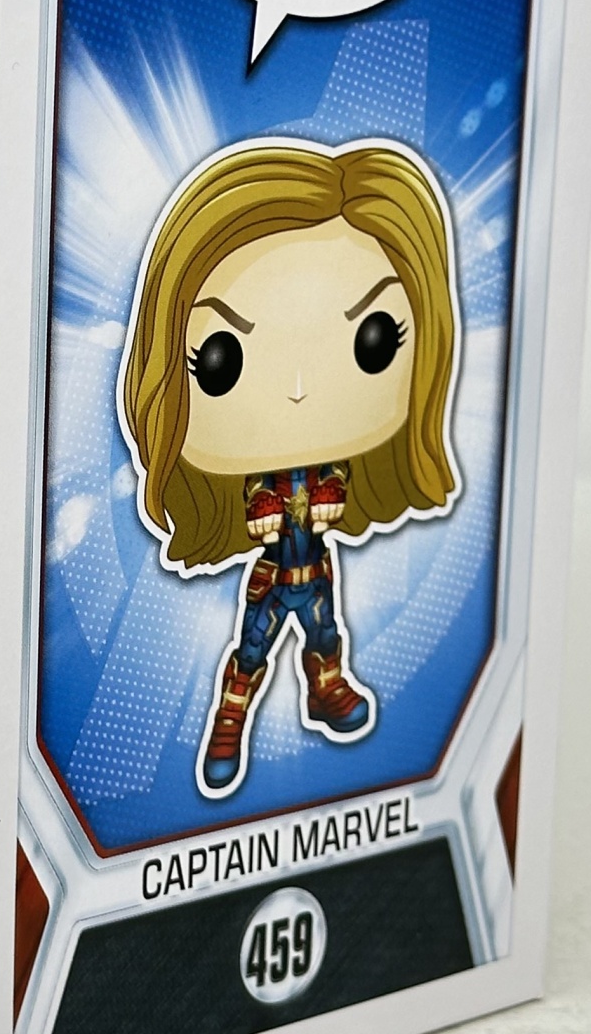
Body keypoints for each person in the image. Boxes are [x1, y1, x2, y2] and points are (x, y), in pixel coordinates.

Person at [121, 138, 461, 798]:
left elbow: (334, 489)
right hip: (274, 576)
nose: (300, 390)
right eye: (219, 359)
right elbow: (260, 506)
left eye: (375, 341)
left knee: (325, 635)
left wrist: (327, 499)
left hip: (316, 569)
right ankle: (230, 721)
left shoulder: (331, 469)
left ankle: (325, 690)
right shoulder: (263, 478)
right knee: (253, 648)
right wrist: (270, 512)